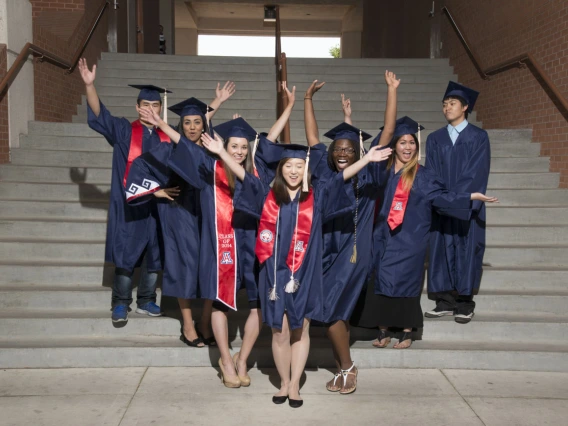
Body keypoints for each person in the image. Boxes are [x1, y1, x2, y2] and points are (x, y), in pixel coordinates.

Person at [207, 121, 392, 406]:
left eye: (299, 166)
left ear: (306, 170)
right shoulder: (268, 198)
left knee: (300, 330)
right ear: (280, 170)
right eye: (288, 166)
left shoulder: (317, 199)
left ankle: (295, 386)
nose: (293, 171)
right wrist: (222, 153)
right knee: (279, 333)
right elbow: (247, 178)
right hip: (273, 277)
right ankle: (282, 383)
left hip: (304, 276)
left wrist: (366, 158)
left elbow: (339, 180)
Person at [137, 86, 298, 388]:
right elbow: (186, 145)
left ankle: (242, 359)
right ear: (225, 145)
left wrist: (289, 106)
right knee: (221, 304)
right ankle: (226, 360)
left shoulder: (259, 171)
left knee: (258, 306)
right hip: (221, 246)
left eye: (242, 147)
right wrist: (160, 124)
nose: (237, 151)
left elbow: (271, 139)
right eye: (232, 145)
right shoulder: (209, 170)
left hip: (252, 248)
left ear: (248, 149)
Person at [356, 117, 497, 349]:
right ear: (394, 146)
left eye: (412, 143)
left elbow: (442, 197)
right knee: (380, 280)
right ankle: (382, 329)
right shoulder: (383, 171)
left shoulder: (423, 174)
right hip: (384, 236)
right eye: (402, 142)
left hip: (412, 238)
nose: (408, 147)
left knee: (407, 283)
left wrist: (469, 196)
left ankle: (407, 331)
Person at [302, 71, 399, 394]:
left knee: (330, 309)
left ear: (359, 153)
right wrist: (307, 100)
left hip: (354, 250)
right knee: (333, 311)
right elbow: (314, 139)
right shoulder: (326, 175)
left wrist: (391, 90)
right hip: (327, 249)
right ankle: (345, 369)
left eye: (348, 149)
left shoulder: (370, 173)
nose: (342, 153)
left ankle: (348, 368)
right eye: (338, 150)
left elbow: (387, 132)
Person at [125, 95, 235, 348]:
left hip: (208, 212)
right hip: (178, 212)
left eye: (198, 122)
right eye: (187, 122)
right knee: (184, 264)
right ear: (181, 125)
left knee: (211, 264)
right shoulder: (167, 148)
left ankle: (205, 321)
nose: (193, 127)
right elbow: (138, 166)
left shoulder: (212, 148)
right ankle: (188, 324)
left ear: (204, 125)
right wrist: (155, 191)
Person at [79, 57, 175, 323]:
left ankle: (146, 300)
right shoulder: (123, 129)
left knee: (156, 254)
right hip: (129, 205)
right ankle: (120, 303)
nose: (151, 110)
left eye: (156, 105)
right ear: (137, 107)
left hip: (159, 205)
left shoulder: (167, 134)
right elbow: (101, 116)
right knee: (126, 254)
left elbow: (192, 137)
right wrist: (90, 85)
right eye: (146, 105)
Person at [425, 82, 491, 324]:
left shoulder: (478, 137)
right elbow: (430, 174)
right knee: (441, 249)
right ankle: (444, 301)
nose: (447, 108)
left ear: (465, 107)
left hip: (467, 207)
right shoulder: (435, 138)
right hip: (442, 205)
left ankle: (464, 303)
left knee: (467, 250)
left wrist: (457, 200)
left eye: (452, 104)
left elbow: (477, 173)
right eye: (444, 105)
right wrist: (441, 199)